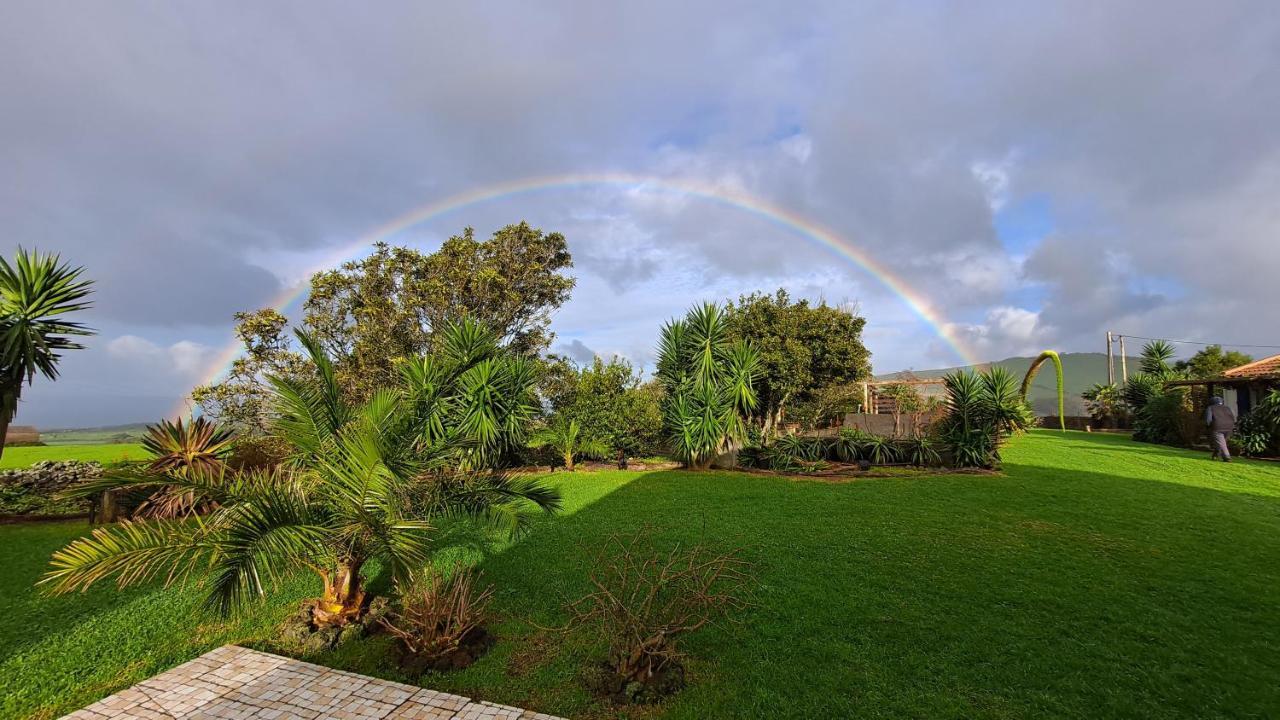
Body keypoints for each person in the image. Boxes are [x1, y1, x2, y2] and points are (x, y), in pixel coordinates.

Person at [1204, 396, 1236, 462]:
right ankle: (1215, 455)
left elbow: (1208, 420)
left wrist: (1208, 426)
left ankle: (1227, 457)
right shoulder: (1228, 408)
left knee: (1221, 443)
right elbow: (1233, 417)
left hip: (1217, 427)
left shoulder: (1210, 408)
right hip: (1229, 427)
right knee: (1221, 443)